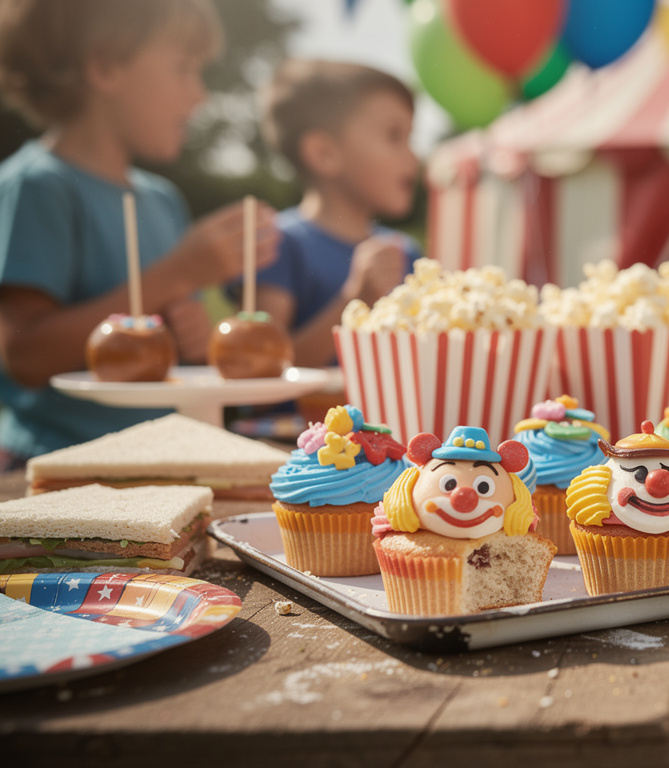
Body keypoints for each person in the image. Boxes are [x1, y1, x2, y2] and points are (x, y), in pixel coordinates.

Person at [0, 0, 279, 466]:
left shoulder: (162, 199)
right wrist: (176, 274)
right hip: (61, 464)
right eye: (184, 68)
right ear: (106, 67)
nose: (200, 95)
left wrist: (191, 335)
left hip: (161, 461)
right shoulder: (38, 187)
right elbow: (25, 357)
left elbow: (162, 342)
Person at [253, 59, 421, 368]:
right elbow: (263, 368)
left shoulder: (406, 252)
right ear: (324, 154)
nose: (413, 157)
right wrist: (355, 299)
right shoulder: (277, 244)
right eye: (395, 136)